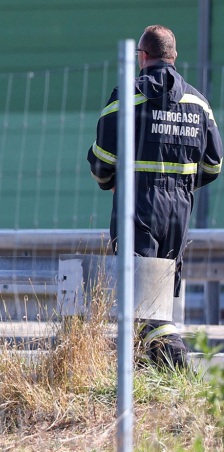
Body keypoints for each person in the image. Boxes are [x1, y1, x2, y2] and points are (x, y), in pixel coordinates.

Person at [87, 24, 223, 369]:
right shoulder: (198, 102)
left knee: (138, 296)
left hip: (137, 205)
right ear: (173, 57)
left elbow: (102, 160)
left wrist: (110, 182)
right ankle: (148, 376)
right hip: (179, 210)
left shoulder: (127, 95)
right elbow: (214, 164)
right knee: (157, 299)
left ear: (142, 56)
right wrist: (181, 185)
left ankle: (175, 362)